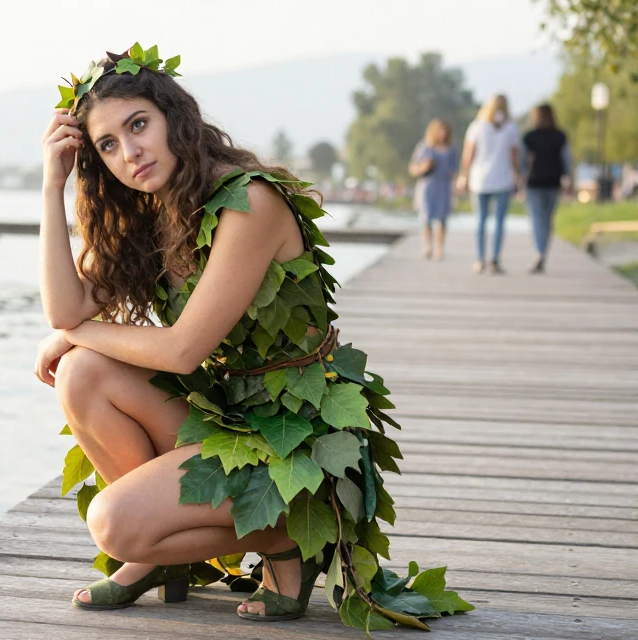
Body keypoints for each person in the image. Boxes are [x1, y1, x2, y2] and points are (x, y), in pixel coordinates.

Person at [35, 45, 469, 630]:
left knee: (112, 522)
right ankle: (160, 551)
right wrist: (52, 186)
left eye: (138, 125)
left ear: (174, 118)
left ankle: (288, 538)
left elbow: (182, 349)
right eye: (108, 144)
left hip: (295, 437)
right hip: (227, 412)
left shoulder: (248, 202)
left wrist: (80, 331)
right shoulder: (152, 212)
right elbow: (63, 309)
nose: (129, 152)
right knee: (81, 372)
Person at [457, 95, 521, 274]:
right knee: (499, 221)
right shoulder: (511, 128)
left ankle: (479, 259)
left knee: (480, 220)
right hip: (503, 179)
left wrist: (463, 175)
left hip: (480, 180)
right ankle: (495, 259)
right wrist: (517, 176)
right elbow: (514, 157)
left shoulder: (477, 126)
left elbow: (468, 155)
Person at [522, 104, 571, 274]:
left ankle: (539, 251)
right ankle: (542, 252)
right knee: (547, 219)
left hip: (535, 181)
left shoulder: (530, 137)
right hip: (553, 182)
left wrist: (519, 176)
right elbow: (567, 160)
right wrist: (569, 179)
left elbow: (522, 161)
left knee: (537, 219)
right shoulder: (560, 136)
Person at [409, 119, 459, 260]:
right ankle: (427, 245)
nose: (442, 134)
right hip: (428, 186)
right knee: (426, 218)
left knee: (442, 219)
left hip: (444, 186)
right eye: (440, 130)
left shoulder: (451, 149)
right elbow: (413, 168)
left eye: (445, 131)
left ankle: (440, 247)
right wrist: (424, 167)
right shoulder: (425, 147)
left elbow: (454, 169)